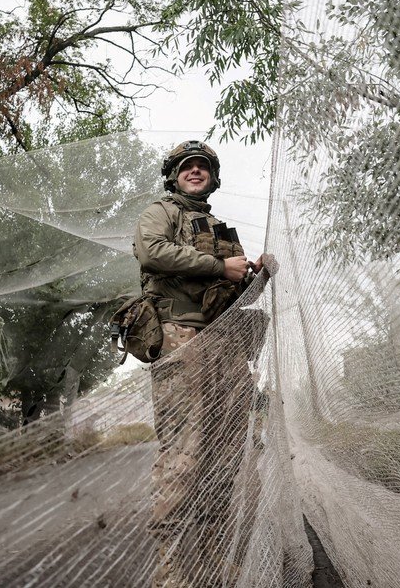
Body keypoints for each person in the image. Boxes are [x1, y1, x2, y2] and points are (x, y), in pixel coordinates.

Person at [133, 140, 269, 587]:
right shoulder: (162, 211)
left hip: (225, 348)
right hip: (179, 341)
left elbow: (235, 292)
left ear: (213, 176)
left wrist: (258, 275)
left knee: (225, 457)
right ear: (173, 174)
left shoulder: (221, 228)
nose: (196, 170)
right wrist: (218, 266)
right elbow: (151, 251)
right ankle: (170, 572)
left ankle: (216, 563)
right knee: (183, 456)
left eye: (203, 166)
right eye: (187, 166)